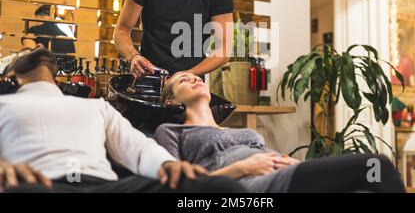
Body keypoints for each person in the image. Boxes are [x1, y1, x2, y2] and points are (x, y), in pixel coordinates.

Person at [0, 46, 245, 193]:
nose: (38, 47)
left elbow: (138, 148)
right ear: (10, 73)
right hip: (40, 184)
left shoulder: (95, 106)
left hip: (104, 187)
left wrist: (166, 164)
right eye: (26, 51)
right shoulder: (4, 105)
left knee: (220, 189)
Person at [154, 71, 406, 193]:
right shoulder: (171, 131)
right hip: (250, 185)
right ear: (171, 101)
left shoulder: (235, 130)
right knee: (376, 165)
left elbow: (267, 155)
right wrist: (244, 168)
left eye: (196, 76)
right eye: (183, 80)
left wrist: (289, 161)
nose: (195, 78)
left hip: (285, 171)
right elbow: (178, 187)